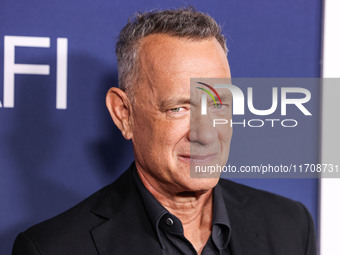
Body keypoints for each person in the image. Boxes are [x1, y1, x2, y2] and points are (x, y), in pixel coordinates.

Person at [12, 7, 316, 255]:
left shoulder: (290, 226)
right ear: (124, 114)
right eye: (179, 108)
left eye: (219, 104)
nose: (207, 134)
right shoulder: (54, 248)